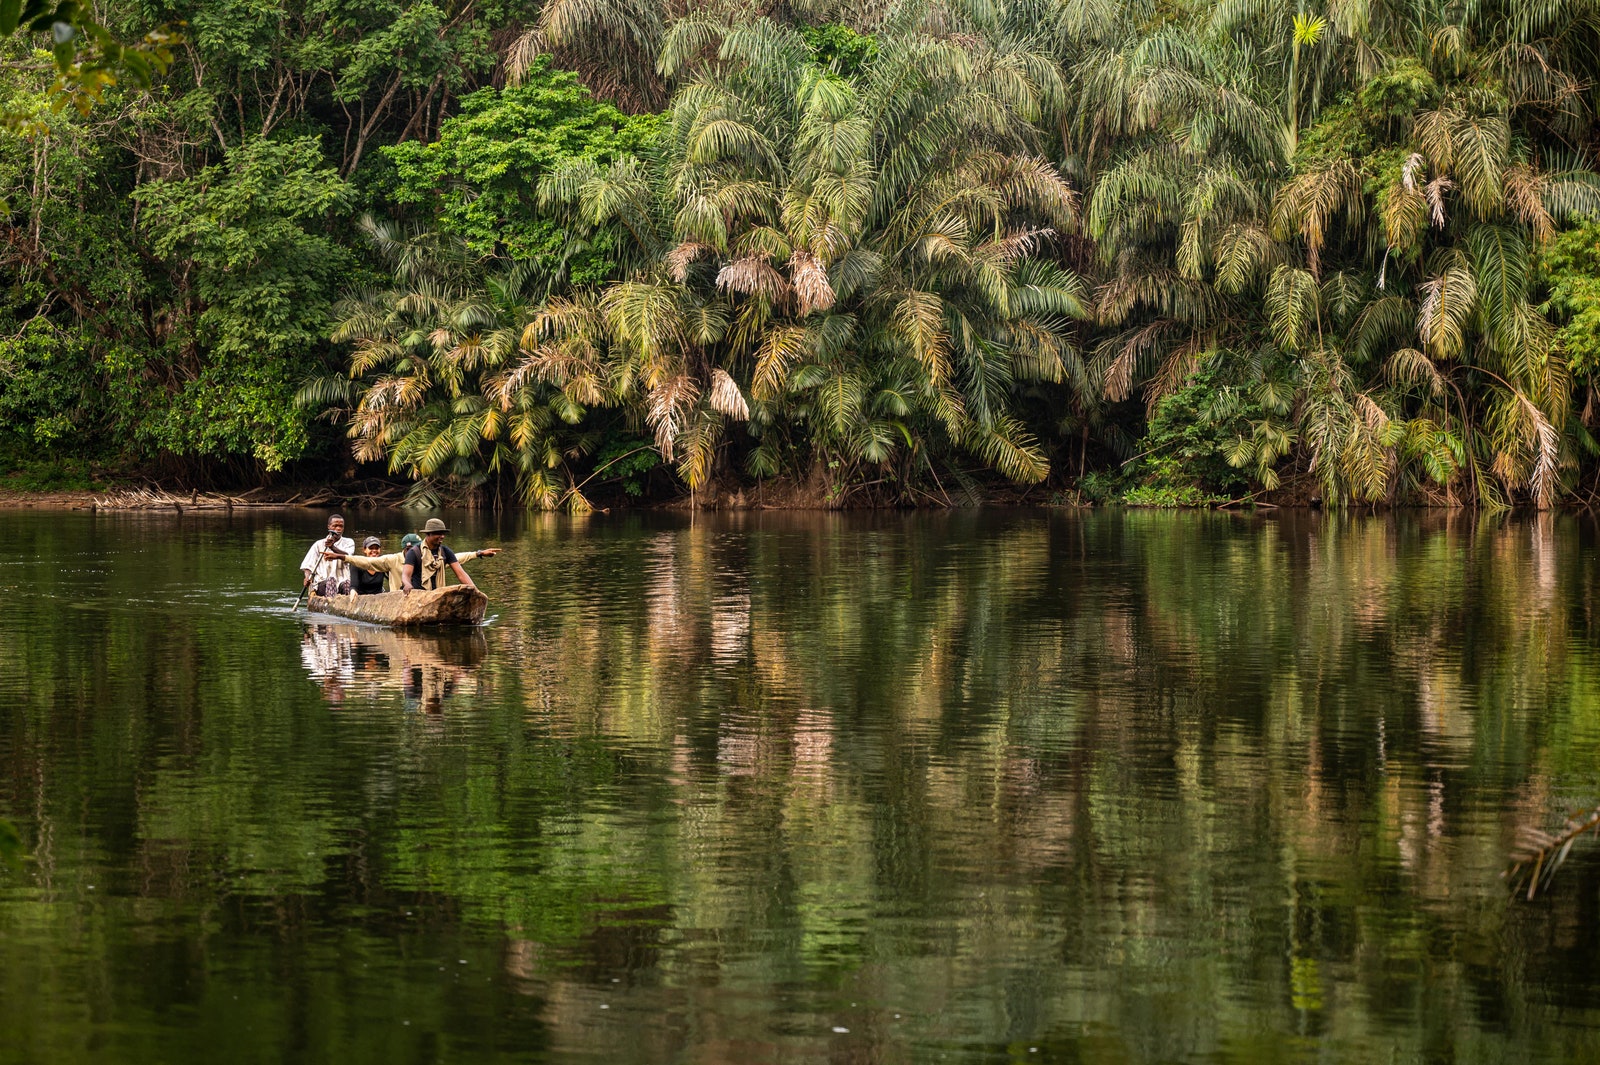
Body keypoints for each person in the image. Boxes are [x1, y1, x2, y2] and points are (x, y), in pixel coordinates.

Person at [331, 532, 497, 595]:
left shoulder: (427, 558)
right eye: (410, 549)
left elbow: (457, 558)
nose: (414, 551)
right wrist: (342, 557)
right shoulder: (393, 559)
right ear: (404, 549)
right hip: (398, 598)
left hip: (423, 596)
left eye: (416, 548)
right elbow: (366, 562)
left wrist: (478, 553)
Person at [402, 518, 480, 593]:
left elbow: (461, 574)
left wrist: (475, 590)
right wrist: (407, 584)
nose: (442, 536)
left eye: (443, 533)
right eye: (438, 533)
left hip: (438, 596)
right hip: (419, 596)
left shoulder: (445, 552)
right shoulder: (414, 552)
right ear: (428, 534)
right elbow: (406, 575)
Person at [300, 514, 355, 597]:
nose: (338, 529)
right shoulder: (319, 544)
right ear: (329, 527)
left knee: (348, 584)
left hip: (342, 581)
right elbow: (308, 565)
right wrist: (307, 577)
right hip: (323, 582)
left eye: (341, 526)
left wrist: (332, 547)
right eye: (335, 526)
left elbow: (348, 556)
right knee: (331, 581)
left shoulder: (349, 542)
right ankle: (330, 606)